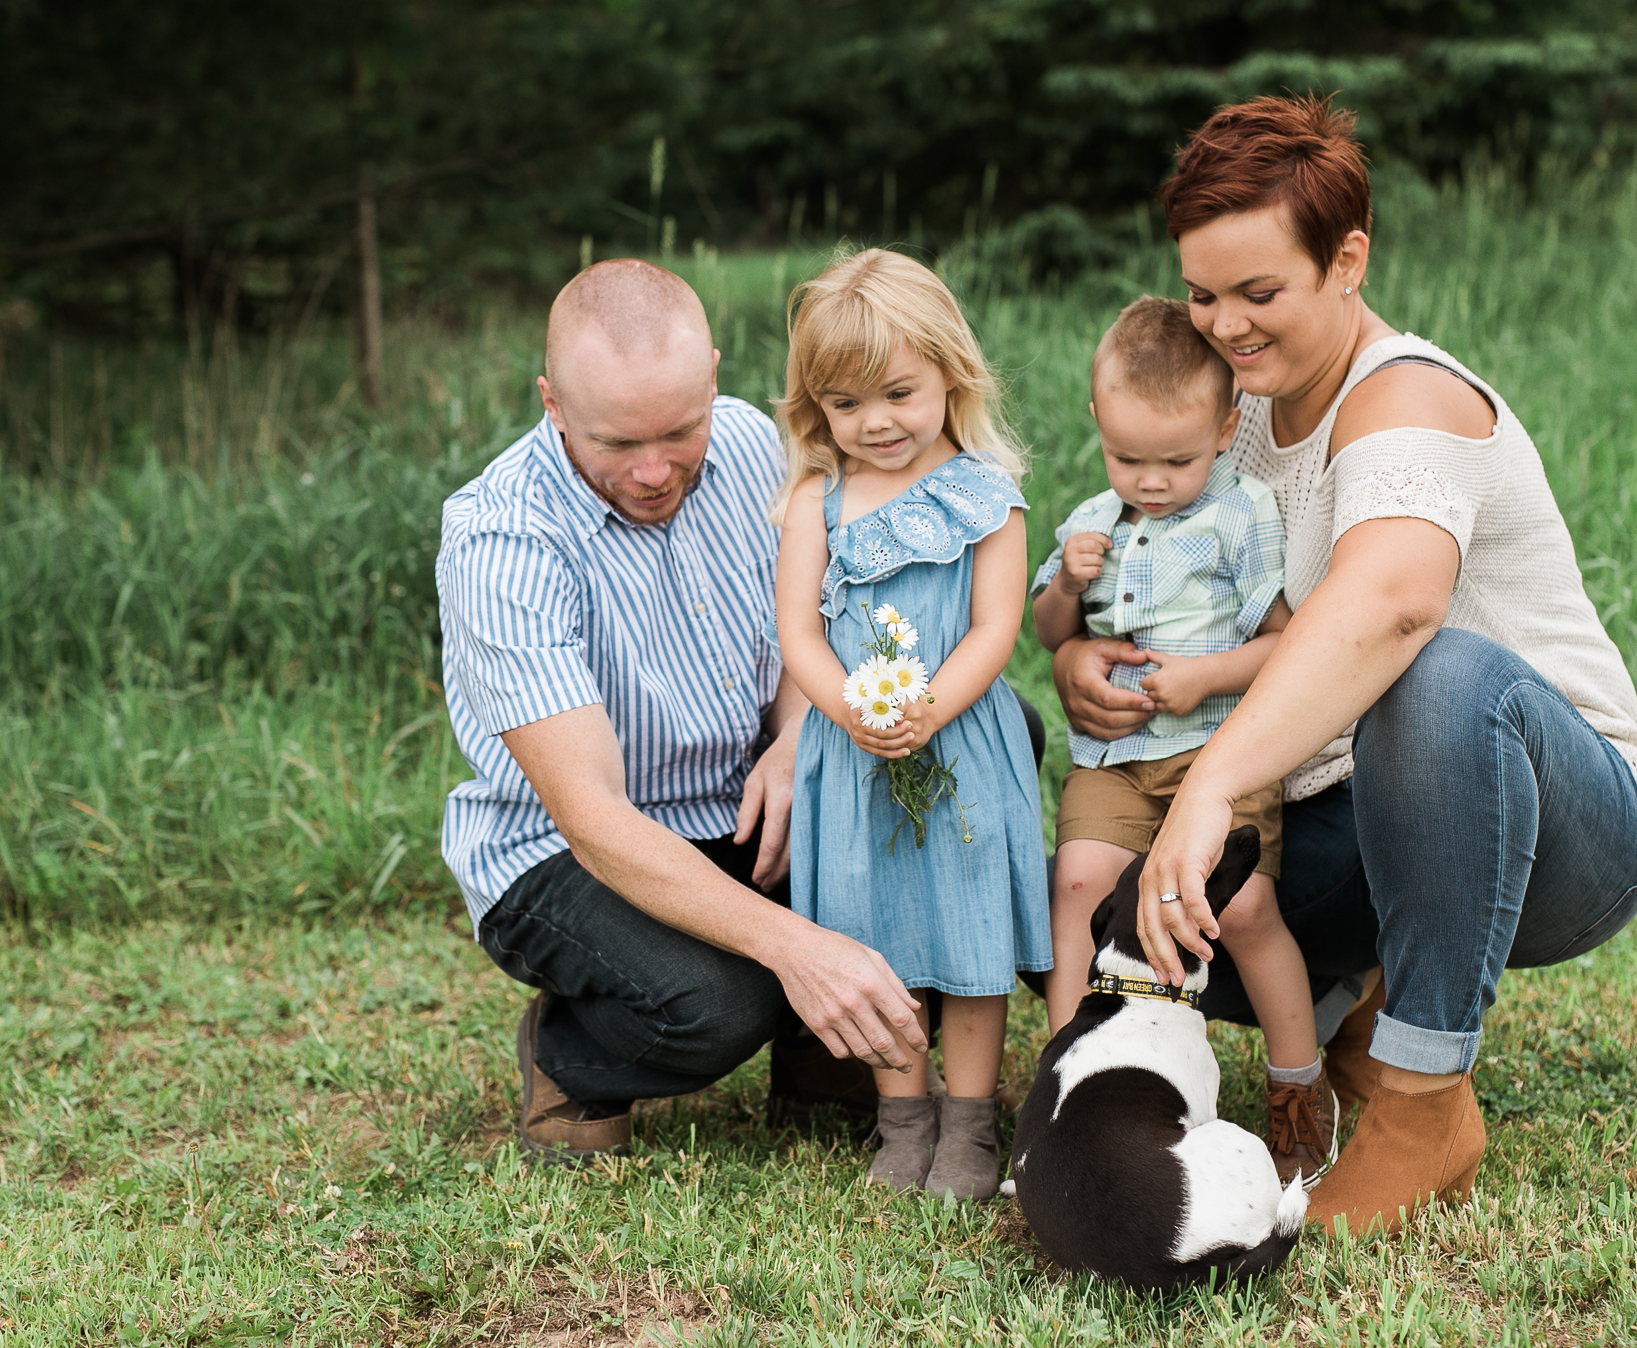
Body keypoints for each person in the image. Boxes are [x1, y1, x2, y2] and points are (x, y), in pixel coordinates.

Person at [1055, 96, 1637, 1233]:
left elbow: (1391, 607)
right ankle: (1344, 1007)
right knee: (1091, 886)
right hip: (1347, 813)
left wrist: (1204, 789)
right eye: (1203, 294)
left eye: (1260, 293)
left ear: (1346, 260)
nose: (1226, 327)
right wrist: (1088, 660)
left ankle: (1422, 1101)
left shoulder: (1405, 397)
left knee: (1435, 672)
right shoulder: (1232, 407)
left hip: (1556, 824)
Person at [436, 258, 932, 1166]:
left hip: (741, 797)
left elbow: (817, 618)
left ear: (712, 373)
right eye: (616, 443)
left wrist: (798, 733)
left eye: (678, 429)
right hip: (565, 854)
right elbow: (594, 821)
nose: (655, 469)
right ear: (551, 402)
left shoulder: (751, 443)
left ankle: (823, 1055)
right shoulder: (501, 539)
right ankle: (570, 1055)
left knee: (965, 744)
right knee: (716, 1004)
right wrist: (801, 948)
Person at [1030, 295, 1332, 1185]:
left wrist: (1205, 676)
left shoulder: (1241, 516)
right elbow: (1049, 631)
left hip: (1217, 747)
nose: (1151, 480)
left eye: (1178, 459)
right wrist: (1065, 595)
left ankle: (1296, 1093)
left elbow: (1287, 645)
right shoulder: (1093, 521)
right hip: (1115, 759)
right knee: (1078, 885)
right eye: (1128, 457)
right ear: (1098, 424)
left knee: (1239, 909)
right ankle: (1062, 1088)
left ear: (1226, 426)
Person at [773, 249, 1050, 1201]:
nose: (875, 422)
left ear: (949, 373)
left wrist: (929, 706)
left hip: (960, 741)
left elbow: (996, 627)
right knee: (878, 931)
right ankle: (904, 1113)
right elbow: (799, 633)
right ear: (817, 408)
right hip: (854, 755)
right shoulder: (820, 501)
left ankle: (971, 1121)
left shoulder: (986, 492)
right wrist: (853, 706)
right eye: (846, 405)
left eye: (897, 392)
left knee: (967, 935)